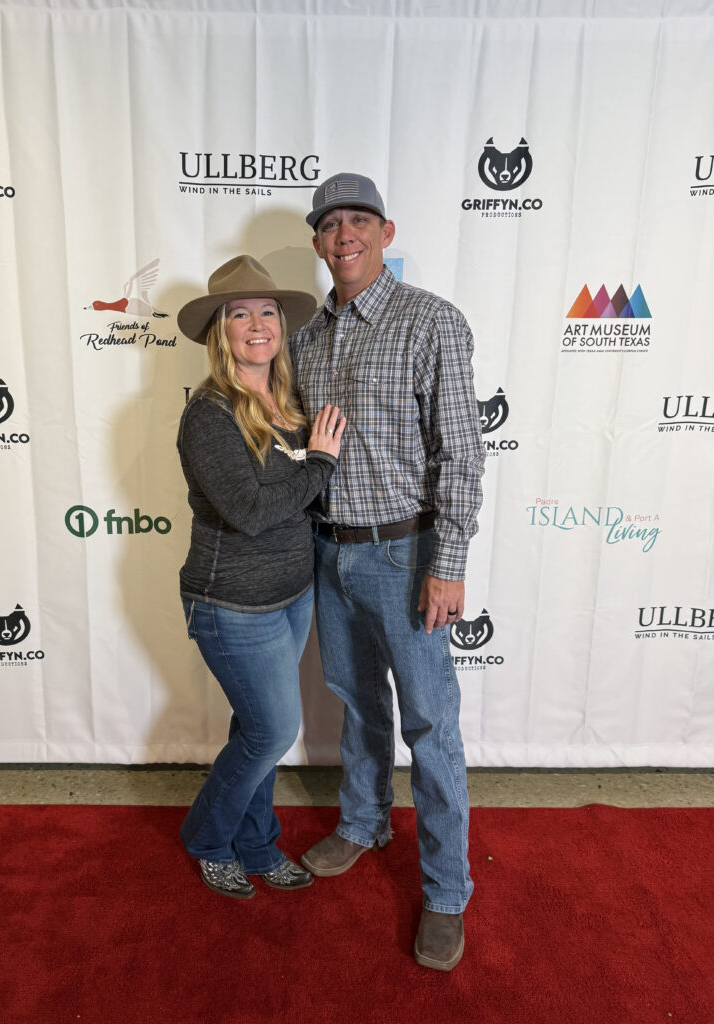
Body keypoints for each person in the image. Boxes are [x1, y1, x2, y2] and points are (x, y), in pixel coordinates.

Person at [290, 174, 485, 970]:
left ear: (385, 230)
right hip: (327, 550)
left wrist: (447, 565)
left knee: (431, 727)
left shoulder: (430, 320)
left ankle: (443, 891)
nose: (345, 235)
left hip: (407, 555)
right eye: (331, 223)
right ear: (317, 241)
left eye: (359, 220)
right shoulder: (304, 337)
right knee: (354, 703)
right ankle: (363, 821)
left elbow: (462, 453)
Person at [176, 254, 346, 899]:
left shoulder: (290, 399)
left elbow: (291, 499)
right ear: (221, 331)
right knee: (274, 731)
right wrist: (322, 464)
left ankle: (256, 843)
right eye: (239, 313)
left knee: (255, 731)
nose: (256, 324)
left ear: (281, 325)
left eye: (267, 312)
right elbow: (248, 513)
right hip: (231, 604)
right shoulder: (211, 413)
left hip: (291, 594)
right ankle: (208, 837)